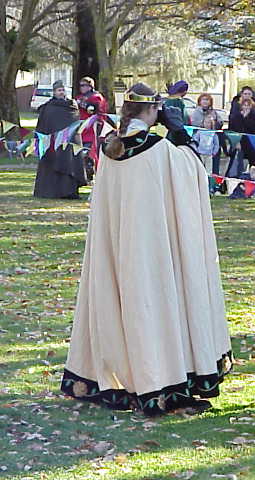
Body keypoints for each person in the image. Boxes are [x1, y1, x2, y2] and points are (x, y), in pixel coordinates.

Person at [61, 83, 233, 417]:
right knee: (154, 307)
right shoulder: (158, 148)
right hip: (154, 249)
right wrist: (180, 135)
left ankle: (126, 378)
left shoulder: (110, 149)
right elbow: (194, 176)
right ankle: (159, 382)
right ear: (154, 110)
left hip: (118, 245)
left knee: (124, 305)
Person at [34, 80, 87, 199]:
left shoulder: (71, 106)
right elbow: (43, 125)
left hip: (69, 143)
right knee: (53, 164)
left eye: (63, 90)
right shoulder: (48, 107)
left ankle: (69, 191)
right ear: (54, 92)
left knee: (69, 163)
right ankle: (53, 192)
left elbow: (75, 124)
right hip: (52, 143)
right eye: (59, 90)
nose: (61, 92)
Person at [75, 76, 109, 179]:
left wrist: (84, 104)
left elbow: (94, 110)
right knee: (81, 152)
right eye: (80, 85)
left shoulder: (96, 97)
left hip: (93, 130)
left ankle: (91, 175)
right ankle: (84, 175)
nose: (81, 88)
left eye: (83, 85)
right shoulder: (80, 97)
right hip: (82, 129)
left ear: (90, 86)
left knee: (90, 153)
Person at [190, 93, 222, 192]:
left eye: (207, 100)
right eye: (203, 99)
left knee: (210, 170)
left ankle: (211, 187)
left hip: (210, 151)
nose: (205, 102)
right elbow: (194, 126)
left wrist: (213, 123)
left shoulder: (214, 112)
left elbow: (220, 123)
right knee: (199, 169)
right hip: (200, 150)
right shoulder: (196, 112)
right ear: (200, 101)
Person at [229, 86, 255, 168]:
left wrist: (246, 118)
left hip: (250, 138)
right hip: (238, 138)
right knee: (236, 163)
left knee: (252, 162)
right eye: (245, 94)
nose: (247, 96)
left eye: (249, 94)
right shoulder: (235, 108)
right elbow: (232, 124)